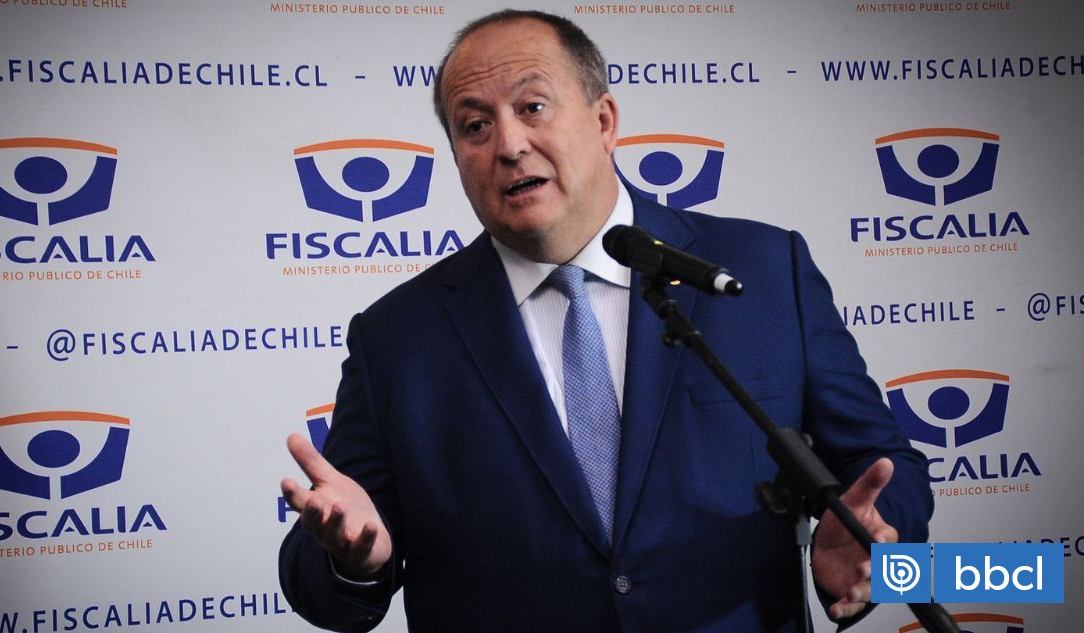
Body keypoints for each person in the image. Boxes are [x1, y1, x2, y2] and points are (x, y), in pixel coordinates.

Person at [279, 9, 932, 632]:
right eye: (474, 126)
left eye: (533, 107)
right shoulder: (396, 338)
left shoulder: (762, 271)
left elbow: (879, 461)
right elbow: (324, 565)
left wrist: (866, 537)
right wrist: (352, 561)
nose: (509, 145)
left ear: (604, 120)